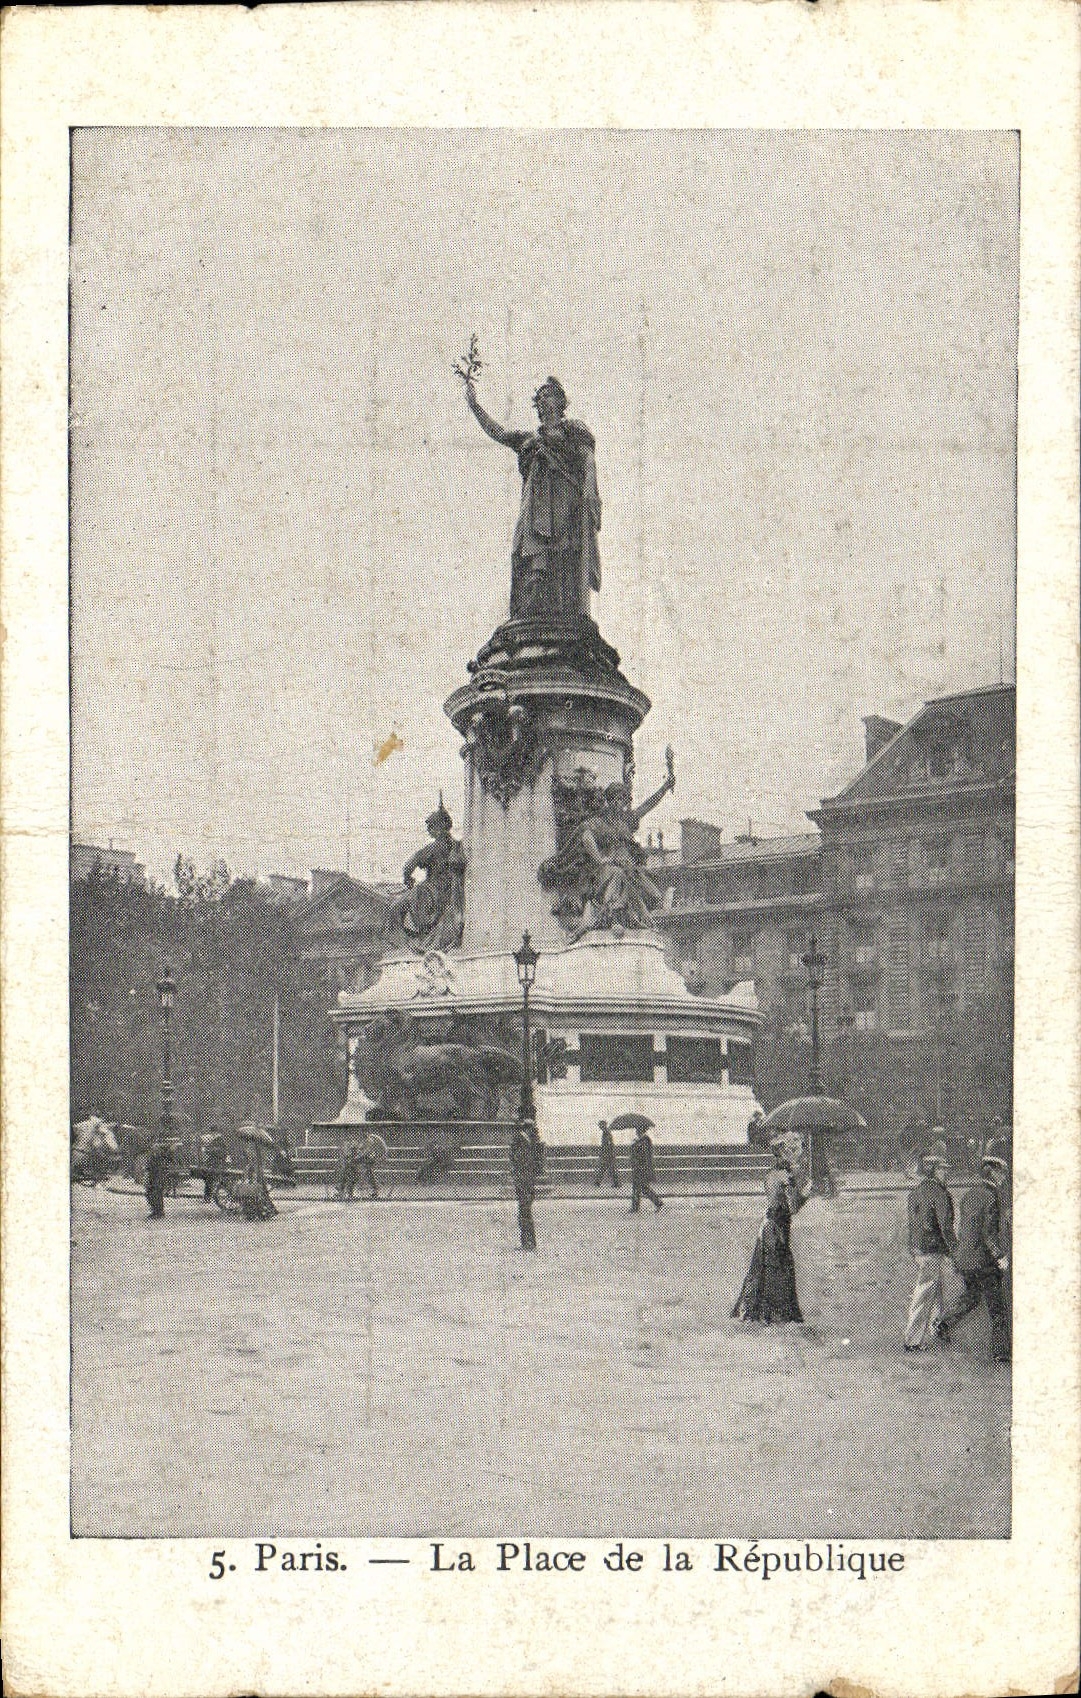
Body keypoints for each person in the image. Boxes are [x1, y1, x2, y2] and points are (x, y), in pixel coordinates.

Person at [462, 369, 602, 622]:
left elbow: (588, 461)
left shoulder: (574, 430)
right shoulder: (529, 439)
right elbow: (500, 433)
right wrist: (475, 406)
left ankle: (563, 611)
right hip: (534, 508)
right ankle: (531, 613)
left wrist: (591, 491)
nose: (544, 400)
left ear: (561, 402)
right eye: (540, 397)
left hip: (564, 503)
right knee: (530, 557)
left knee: (563, 556)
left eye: (549, 394)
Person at [935, 1155, 1011, 1363]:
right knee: (997, 1308)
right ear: (993, 1173)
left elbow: (968, 1228)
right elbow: (988, 1233)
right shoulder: (991, 1196)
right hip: (982, 1260)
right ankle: (1002, 1352)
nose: (1004, 1177)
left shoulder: (969, 1195)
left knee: (972, 1296)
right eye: (1002, 1173)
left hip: (965, 1258)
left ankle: (944, 1323)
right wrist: (999, 1256)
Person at [732, 1135, 812, 1323]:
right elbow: (793, 1207)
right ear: (785, 1153)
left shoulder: (771, 1174)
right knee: (780, 1269)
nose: (797, 1156)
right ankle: (778, 1315)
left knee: (764, 1269)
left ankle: (761, 1313)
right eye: (794, 1151)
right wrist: (806, 1192)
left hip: (769, 1224)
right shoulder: (785, 1177)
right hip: (778, 1227)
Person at [904, 1148, 956, 1351]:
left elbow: (913, 1224)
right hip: (932, 1249)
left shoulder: (915, 1192)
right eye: (943, 1170)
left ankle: (937, 1328)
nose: (947, 1174)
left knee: (936, 1288)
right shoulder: (940, 1193)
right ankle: (912, 1340)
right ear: (934, 1171)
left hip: (918, 1248)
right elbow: (945, 1226)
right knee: (925, 1292)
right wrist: (954, 1250)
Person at [510, 1121, 540, 1251]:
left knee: (525, 1212)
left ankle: (529, 1242)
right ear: (527, 1129)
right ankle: (528, 1242)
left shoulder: (528, 1141)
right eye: (532, 1129)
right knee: (524, 1212)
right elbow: (517, 1159)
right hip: (523, 1182)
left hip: (526, 1182)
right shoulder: (520, 1141)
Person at [628, 1124, 663, 1213]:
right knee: (641, 1188)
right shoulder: (640, 1140)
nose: (636, 1132)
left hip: (642, 1168)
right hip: (638, 1168)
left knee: (640, 1188)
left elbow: (644, 1155)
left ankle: (636, 1207)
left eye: (638, 1130)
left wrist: (635, 1144)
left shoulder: (645, 1141)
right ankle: (656, 1202)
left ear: (641, 1131)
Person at [144, 1138, 179, 1220]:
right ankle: (156, 1211)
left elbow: (169, 1159)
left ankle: (158, 1212)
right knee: (150, 1193)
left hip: (158, 1174)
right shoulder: (156, 1151)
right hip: (153, 1174)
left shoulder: (161, 1152)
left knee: (156, 1193)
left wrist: (170, 1151)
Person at [357, 1126, 388, 1200]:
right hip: (376, 1154)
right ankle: (372, 1185)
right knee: (366, 1167)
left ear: (367, 1133)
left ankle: (375, 1188)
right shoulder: (368, 1138)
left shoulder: (370, 1139)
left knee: (367, 1169)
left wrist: (359, 1156)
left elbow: (367, 1151)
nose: (362, 1134)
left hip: (381, 1155)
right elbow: (362, 1148)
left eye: (364, 1133)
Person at [201, 1128, 229, 1203]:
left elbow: (221, 1151)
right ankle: (208, 1196)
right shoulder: (218, 1140)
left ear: (216, 1132)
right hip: (214, 1163)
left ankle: (208, 1197)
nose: (212, 1134)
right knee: (208, 1179)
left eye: (213, 1133)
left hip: (216, 1163)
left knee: (209, 1179)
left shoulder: (219, 1140)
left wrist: (209, 1151)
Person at [593, 1120, 621, 1188]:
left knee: (605, 1169)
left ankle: (598, 1183)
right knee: (609, 1170)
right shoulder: (606, 1132)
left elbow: (608, 1144)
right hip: (609, 1154)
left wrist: (603, 1153)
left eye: (600, 1125)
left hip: (608, 1155)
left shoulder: (606, 1133)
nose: (599, 1127)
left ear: (603, 1125)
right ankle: (616, 1183)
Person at [336, 1136, 360, 1201]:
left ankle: (347, 1192)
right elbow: (346, 1154)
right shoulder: (346, 1143)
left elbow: (356, 1152)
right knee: (349, 1176)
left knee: (352, 1177)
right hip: (348, 1161)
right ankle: (346, 1192)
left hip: (352, 1161)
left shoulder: (353, 1142)